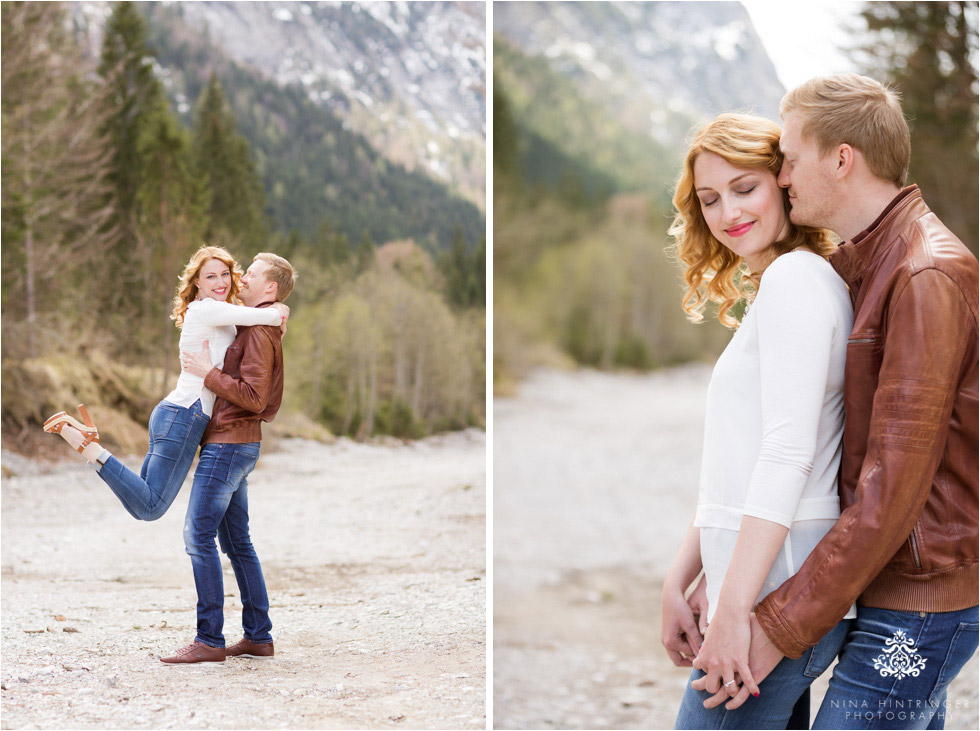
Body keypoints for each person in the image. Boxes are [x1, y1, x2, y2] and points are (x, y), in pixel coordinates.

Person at [705, 74, 978, 730]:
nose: (785, 176)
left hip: (919, 603)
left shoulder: (923, 273)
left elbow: (891, 495)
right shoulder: (876, 263)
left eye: (792, 159)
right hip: (889, 591)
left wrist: (777, 623)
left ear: (842, 158)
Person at [661, 112, 856, 729]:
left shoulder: (797, 280)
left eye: (745, 188)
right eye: (710, 199)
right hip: (760, 581)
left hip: (780, 588)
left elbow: (787, 455)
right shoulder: (781, 284)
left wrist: (735, 611)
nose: (727, 214)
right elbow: (738, 463)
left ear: (782, 183)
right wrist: (685, 579)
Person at [43, 246, 288, 521]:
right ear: (196, 281)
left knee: (142, 498)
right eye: (210, 277)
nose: (220, 282)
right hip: (187, 414)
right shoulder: (208, 309)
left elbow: (249, 321)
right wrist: (280, 309)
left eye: (224, 274)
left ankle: (88, 444)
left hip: (174, 412)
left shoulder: (221, 312)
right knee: (150, 507)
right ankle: (90, 447)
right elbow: (268, 317)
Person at [160, 252, 296, 664]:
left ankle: (210, 640)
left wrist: (207, 374)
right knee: (237, 543)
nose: (242, 278)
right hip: (236, 442)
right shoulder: (256, 322)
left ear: (269, 288)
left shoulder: (256, 332)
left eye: (251, 275)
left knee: (197, 536)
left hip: (228, 444)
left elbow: (253, 397)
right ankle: (258, 636)